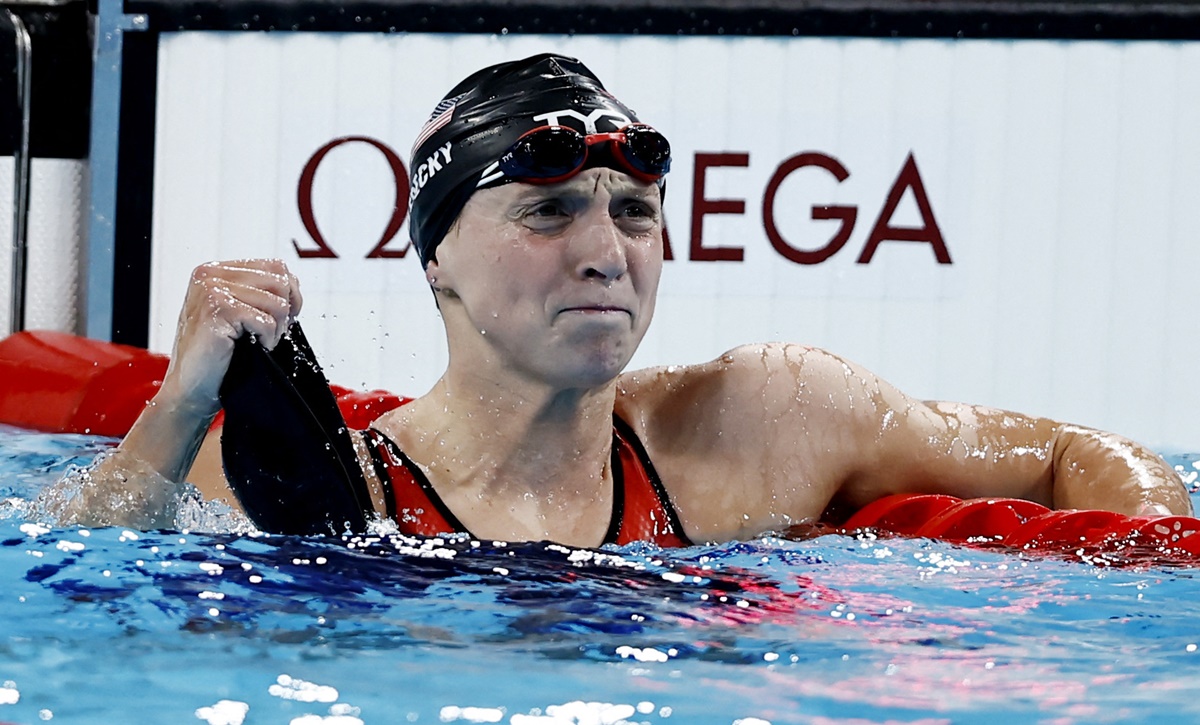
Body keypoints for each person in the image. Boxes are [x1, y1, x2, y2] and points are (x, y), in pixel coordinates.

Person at [42, 53, 1191, 545]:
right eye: (548, 213)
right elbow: (76, 558)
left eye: (633, 211)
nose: (606, 251)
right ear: (435, 258)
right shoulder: (310, 476)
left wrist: (1148, 569)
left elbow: (1073, 455)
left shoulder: (763, 421)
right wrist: (177, 406)